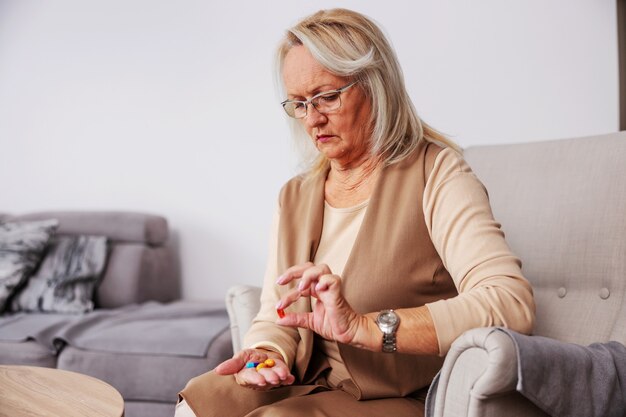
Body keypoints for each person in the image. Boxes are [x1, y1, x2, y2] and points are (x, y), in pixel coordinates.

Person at [176, 8, 535, 417]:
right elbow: (276, 310)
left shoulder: (437, 173)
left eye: (327, 96)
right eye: (298, 103)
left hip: (400, 395)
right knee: (199, 400)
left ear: (375, 86)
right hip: (310, 381)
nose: (312, 119)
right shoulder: (294, 196)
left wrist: (369, 328)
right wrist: (267, 352)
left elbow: (510, 302)